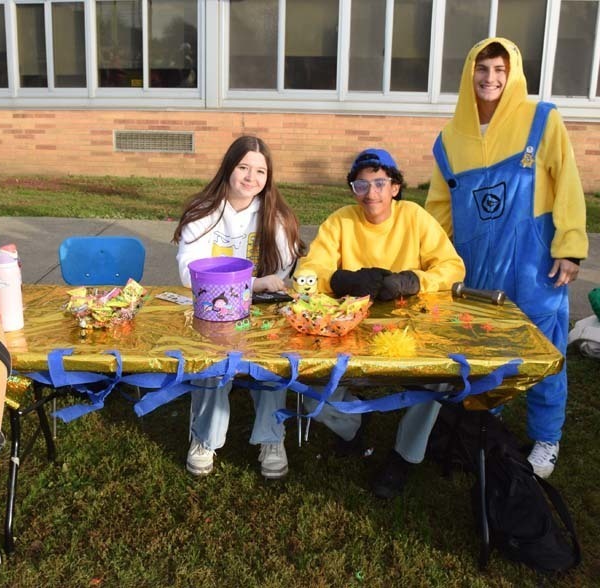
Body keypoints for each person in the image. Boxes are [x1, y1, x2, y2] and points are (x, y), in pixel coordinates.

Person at [426, 38, 588, 479]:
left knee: (543, 350)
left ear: (512, 72)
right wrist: (431, 260)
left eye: (499, 69)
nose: (490, 78)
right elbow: (439, 209)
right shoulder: (450, 139)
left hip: (535, 263)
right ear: (468, 73)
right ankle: (486, 419)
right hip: (477, 265)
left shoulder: (541, 120)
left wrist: (570, 247)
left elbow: (568, 183)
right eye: (482, 68)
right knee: (481, 345)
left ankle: (546, 437)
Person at [296, 148, 465, 498]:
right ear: (352, 189)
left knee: (438, 379)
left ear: (395, 187)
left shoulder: (415, 218)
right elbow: (308, 272)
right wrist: (338, 280)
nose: (371, 194)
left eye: (379, 183)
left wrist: (414, 281)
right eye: (361, 185)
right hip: (348, 328)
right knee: (301, 379)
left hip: (411, 328)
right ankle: (352, 425)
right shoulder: (341, 221)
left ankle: (405, 455)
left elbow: (452, 267)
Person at [173, 135, 305, 479]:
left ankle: (271, 438)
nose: (251, 177)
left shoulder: (276, 215)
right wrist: (254, 282)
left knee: (272, 362)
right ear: (229, 168)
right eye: (243, 167)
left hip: (261, 310)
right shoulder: (204, 211)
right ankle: (205, 437)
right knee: (213, 362)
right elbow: (190, 274)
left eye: (260, 171)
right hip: (213, 309)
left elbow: (283, 275)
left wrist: (259, 288)